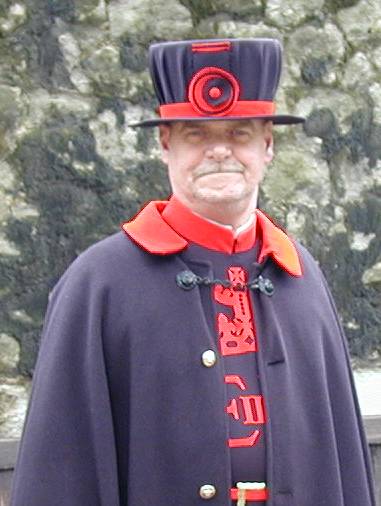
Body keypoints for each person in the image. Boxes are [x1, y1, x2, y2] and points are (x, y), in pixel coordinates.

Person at [10, 39, 376, 506]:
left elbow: (340, 452)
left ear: (268, 145)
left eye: (240, 133)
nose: (219, 151)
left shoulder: (301, 276)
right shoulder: (98, 283)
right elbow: (62, 468)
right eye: (196, 135)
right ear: (166, 145)